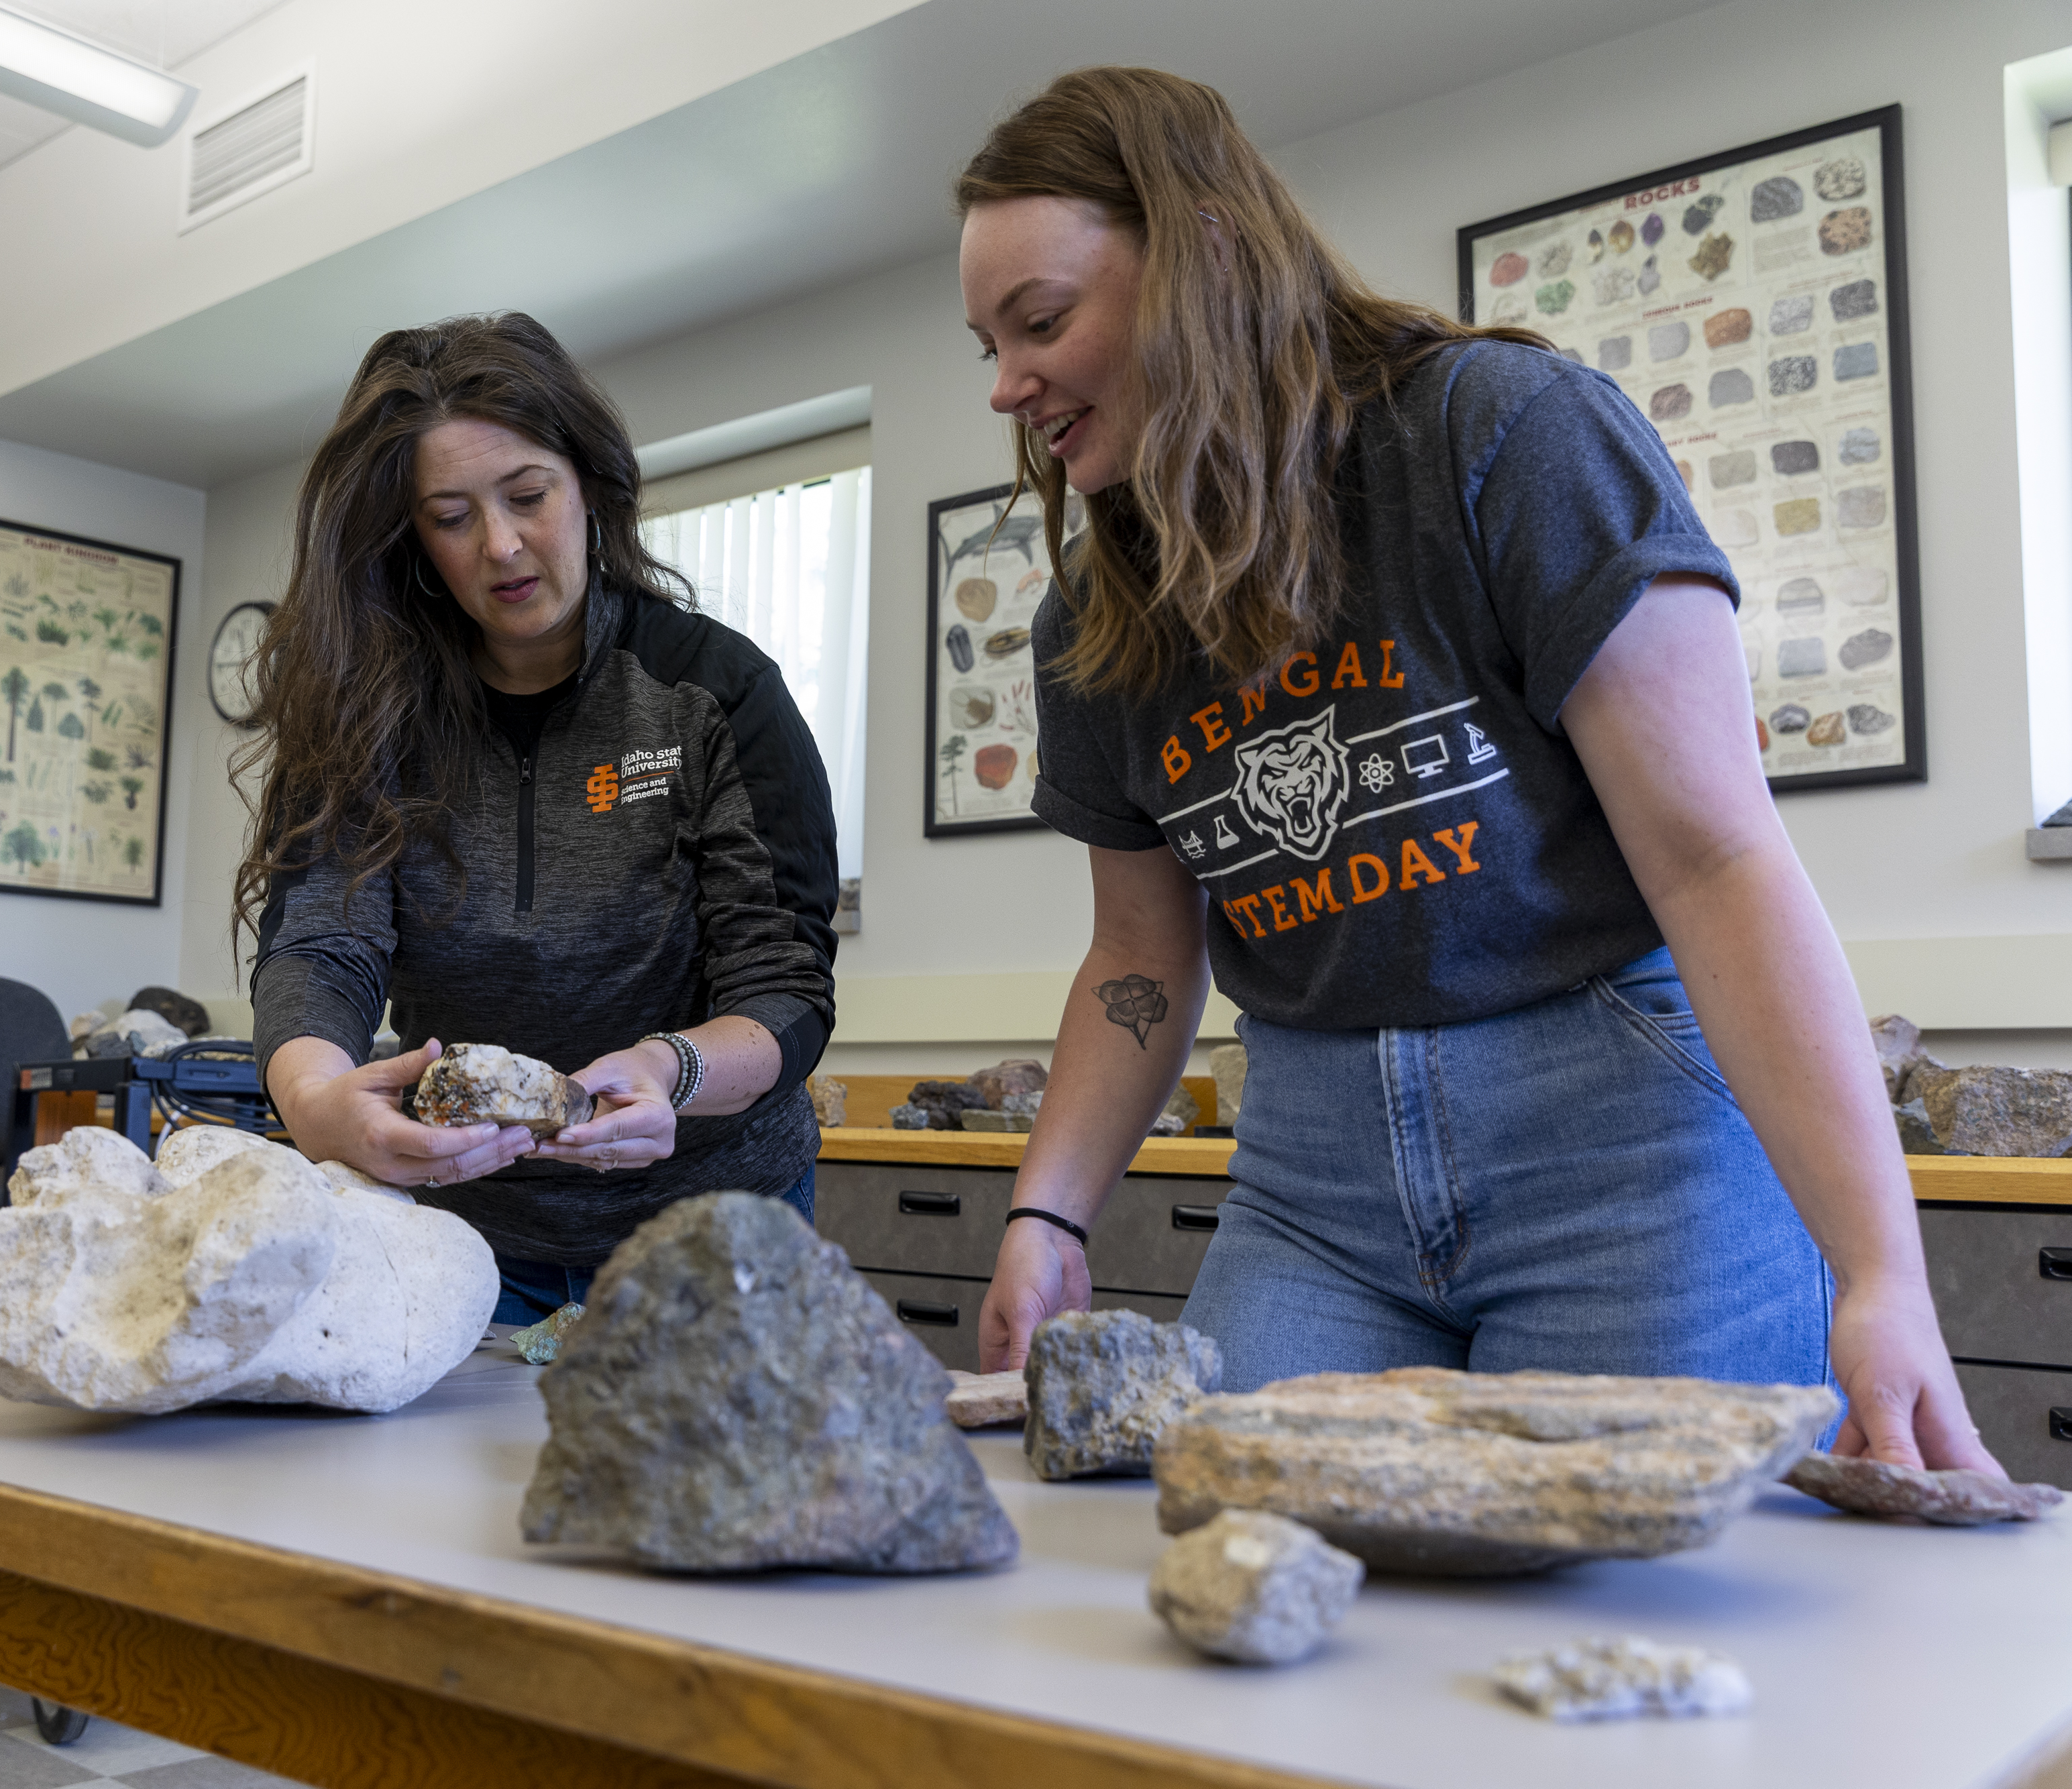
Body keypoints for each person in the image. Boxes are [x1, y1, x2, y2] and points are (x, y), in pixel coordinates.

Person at [961, 67, 1995, 1472]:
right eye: (986, 343)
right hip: (1311, 1179)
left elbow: (1713, 859)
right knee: (1236, 1563)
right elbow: (1136, 952)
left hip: (1617, 1144)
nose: (1006, 386)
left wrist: (1879, 1270)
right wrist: (1047, 1211)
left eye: (1039, 322)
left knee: (1620, 1622)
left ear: (1201, 258)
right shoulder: (1093, 612)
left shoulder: (1503, 434)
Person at [237, 311, 838, 1327]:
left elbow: (784, 988)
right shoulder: (365, 711)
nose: (503, 546)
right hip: (461, 1242)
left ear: (590, 486)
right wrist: (316, 1104)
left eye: (528, 497)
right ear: (413, 537)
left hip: (710, 1232)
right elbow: (319, 948)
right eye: (453, 516)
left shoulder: (713, 692)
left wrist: (670, 1070)